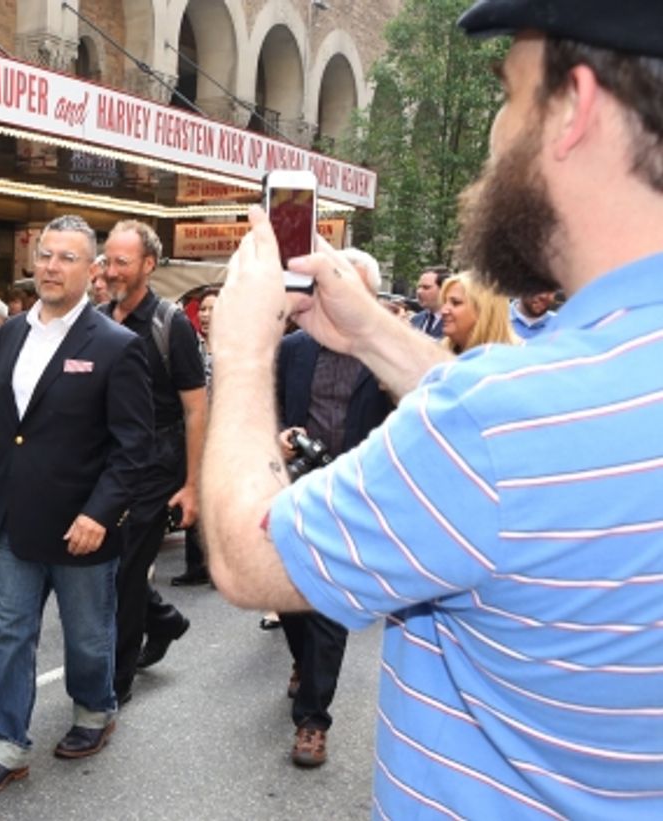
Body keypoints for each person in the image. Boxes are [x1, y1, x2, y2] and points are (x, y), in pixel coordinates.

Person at [202, 2, 663, 815]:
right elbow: (522, 446)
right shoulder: (556, 398)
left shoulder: (496, 422)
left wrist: (241, 352)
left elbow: (247, 556)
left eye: (508, 91)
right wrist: (377, 334)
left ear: (574, 109)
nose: (495, 133)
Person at [0, 215, 151, 798]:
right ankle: (6, 744)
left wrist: (100, 513)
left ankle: (95, 709)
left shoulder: (118, 347)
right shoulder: (10, 333)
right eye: (44, 255)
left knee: (89, 637)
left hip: (81, 528)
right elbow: (0, 419)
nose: (50, 266)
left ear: (91, 270)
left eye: (66, 257)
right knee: (10, 633)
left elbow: (134, 447)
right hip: (12, 520)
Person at [272, 246, 393, 769]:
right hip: (296, 491)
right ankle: (303, 663)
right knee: (290, 598)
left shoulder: (387, 353)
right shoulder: (295, 348)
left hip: (356, 498)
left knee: (328, 607)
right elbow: (269, 407)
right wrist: (276, 436)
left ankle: (312, 721)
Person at [99, 220, 205, 701]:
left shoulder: (171, 324)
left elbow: (196, 408)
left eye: (123, 261)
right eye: (108, 259)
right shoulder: (97, 318)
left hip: (155, 463)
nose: (112, 270)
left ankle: (113, 685)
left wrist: (193, 484)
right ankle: (164, 619)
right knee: (105, 566)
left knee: (122, 572)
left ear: (147, 265)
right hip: (105, 460)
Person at [173, 285, 220, 587]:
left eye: (211, 309)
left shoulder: (237, 350)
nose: (204, 315)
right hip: (193, 433)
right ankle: (197, 564)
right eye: (202, 309)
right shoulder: (194, 346)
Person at [439, 270, 518, 354]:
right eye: (444, 302)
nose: (443, 311)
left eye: (456, 303)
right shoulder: (436, 356)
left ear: (484, 311)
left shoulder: (515, 360)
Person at [409, 266, 450, 337]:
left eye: (426, 287)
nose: (419, 292)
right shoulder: (415, 320)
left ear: (443, 289)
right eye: (419, 287)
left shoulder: (453, 322)